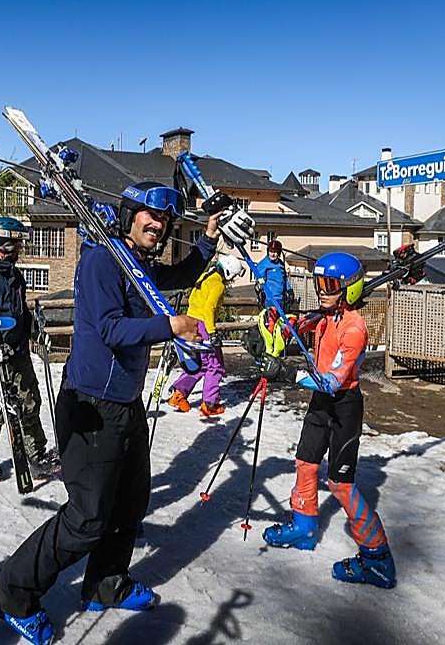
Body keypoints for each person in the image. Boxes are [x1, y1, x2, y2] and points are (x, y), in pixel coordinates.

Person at [0, 181, 254, 645]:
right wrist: (169, 326)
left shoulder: (138, 262)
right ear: (129, 215)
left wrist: (207, 240)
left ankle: (105, 583)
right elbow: (109, 327)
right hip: (90, 405)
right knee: (87, 518)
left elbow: (169, 279)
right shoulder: (102, 259)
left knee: (129, 503)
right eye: (151, 216)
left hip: (124, 401)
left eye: (165, 219)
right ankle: (10, 592)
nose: (159, 225)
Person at [262, 251, 396, 589]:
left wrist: (288, 373)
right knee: (305, 463)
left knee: (340, 484)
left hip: (344, 406)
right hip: (322, 404)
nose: (322, 291)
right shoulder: (324, 317)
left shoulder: (355, 327)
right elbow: (294, 325)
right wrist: (274, 323)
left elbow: (333, 381)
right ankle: (305, 527)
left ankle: (377, 558)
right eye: (319, 283)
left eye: (330, 285)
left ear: (349, 290)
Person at [0, 215, 60, 481]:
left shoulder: (15, 275)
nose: (18, 251)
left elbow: (19, 310)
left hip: (16, 348)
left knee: (29, 399)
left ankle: (36, 453)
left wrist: (32, 331)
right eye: (15, 245)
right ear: (3, 244)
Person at [166, 253, 245, 417]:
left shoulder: (205, 276)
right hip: (204, 325)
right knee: (215, 365)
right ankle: (210, 403)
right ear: (229, 272)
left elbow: (193, 297)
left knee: (199, 364)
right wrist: (212, 332)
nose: (232, 280)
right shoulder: (218, 285)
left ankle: (178, 395)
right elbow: (209, 309)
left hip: (192, 321)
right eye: (234, 276)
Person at [255, 238, 294, 311]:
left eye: (275, 252)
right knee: (271, 320)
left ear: (279, 253)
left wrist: (289, 290)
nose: (273, 254)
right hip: (270, 299)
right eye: (271, 251)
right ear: (268, 252)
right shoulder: (264, 264)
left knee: (280, 321)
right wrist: (260, 290)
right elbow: (260, 279)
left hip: (281, 298)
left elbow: (284, 279)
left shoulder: (281, 264)